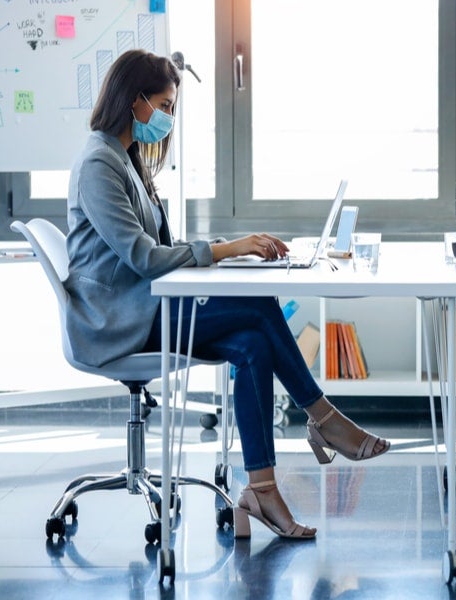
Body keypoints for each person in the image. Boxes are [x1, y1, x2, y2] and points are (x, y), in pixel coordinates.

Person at [64, 49, 389, 540]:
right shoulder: (98, 163)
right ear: (135, 102)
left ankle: (261, 490)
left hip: (143, 305)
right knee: (259, 308)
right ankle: (324, 418)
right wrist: (225, 249)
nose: (170, 118)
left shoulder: (124, 158)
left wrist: (224, 252)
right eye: (165, 106)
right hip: (116, 320)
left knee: (253, 344)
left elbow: (159, 248)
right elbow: (143, 257)